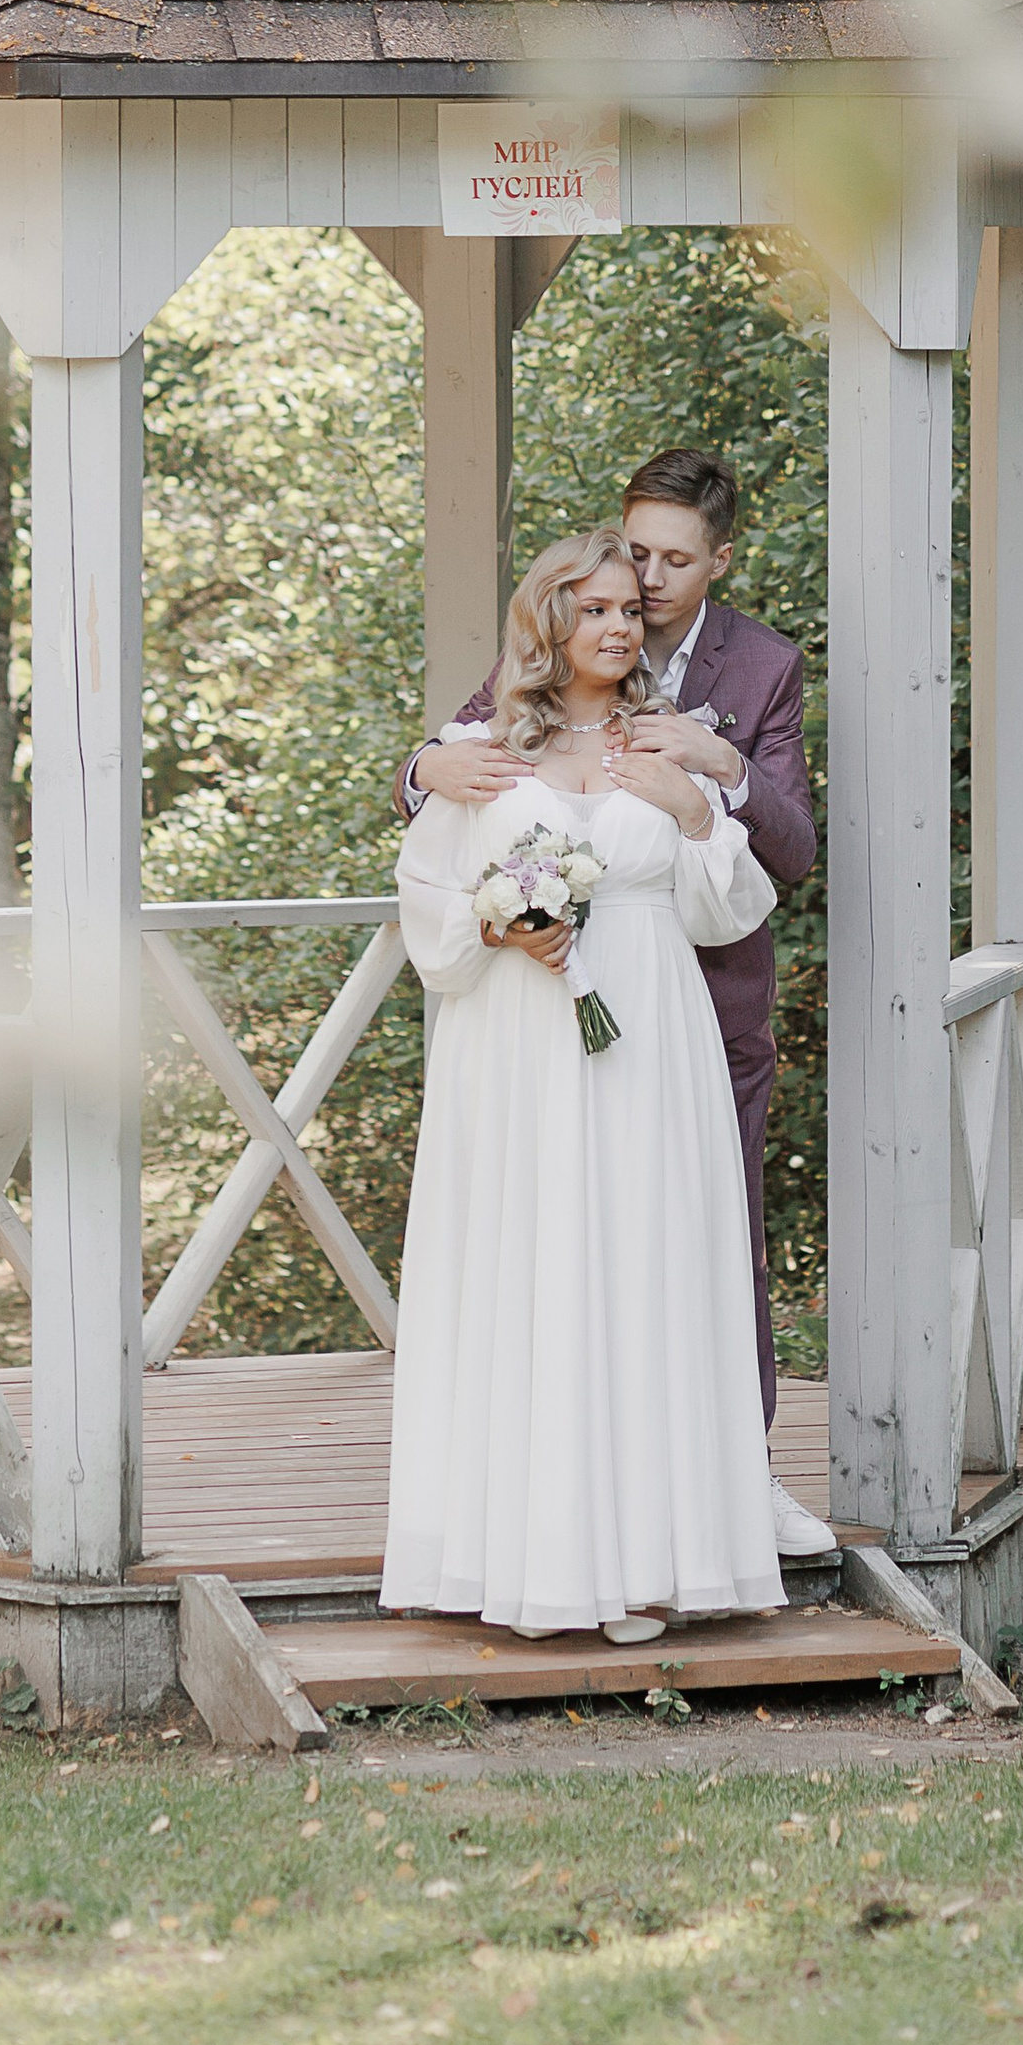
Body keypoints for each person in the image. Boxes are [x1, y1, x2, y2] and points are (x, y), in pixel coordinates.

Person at [396, 447, 835, 1560]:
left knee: (699, 1249)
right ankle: (547, 1508)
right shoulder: (572, 633)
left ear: (717, 561)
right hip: (534, 1026)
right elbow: (468, 764)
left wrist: (715, 771)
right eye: (629, 554)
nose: (640, 585)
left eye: (668, 563)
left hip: (699, 1011)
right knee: (554, 1251)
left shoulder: (760, 670)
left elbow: (790, 848)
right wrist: (417, 773)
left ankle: (735, 1474)